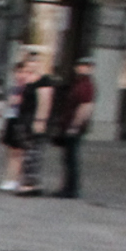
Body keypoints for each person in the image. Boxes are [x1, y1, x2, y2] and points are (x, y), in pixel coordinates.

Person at [0, 50, 51, 195]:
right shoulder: (29, 80)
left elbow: (45, 101)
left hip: (33, 118)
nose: (32, 65)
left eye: (35, 62)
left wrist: (40, 119)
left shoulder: (43, 81)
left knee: (33, 152)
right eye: (30, 62)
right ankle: (27, 182)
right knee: (27, 151)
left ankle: (31, 184)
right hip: (24, 118)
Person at [49, 57, 95, 199]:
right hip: (69, 124)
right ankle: (68, 187)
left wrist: (75, 125)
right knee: (68, 158)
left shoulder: (86, 86)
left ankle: (71, 189)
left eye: (86, 66)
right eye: (81, 65)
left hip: (73, 127)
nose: (83, 68)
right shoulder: (79, 83)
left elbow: (86, 106)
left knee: (71, 158)